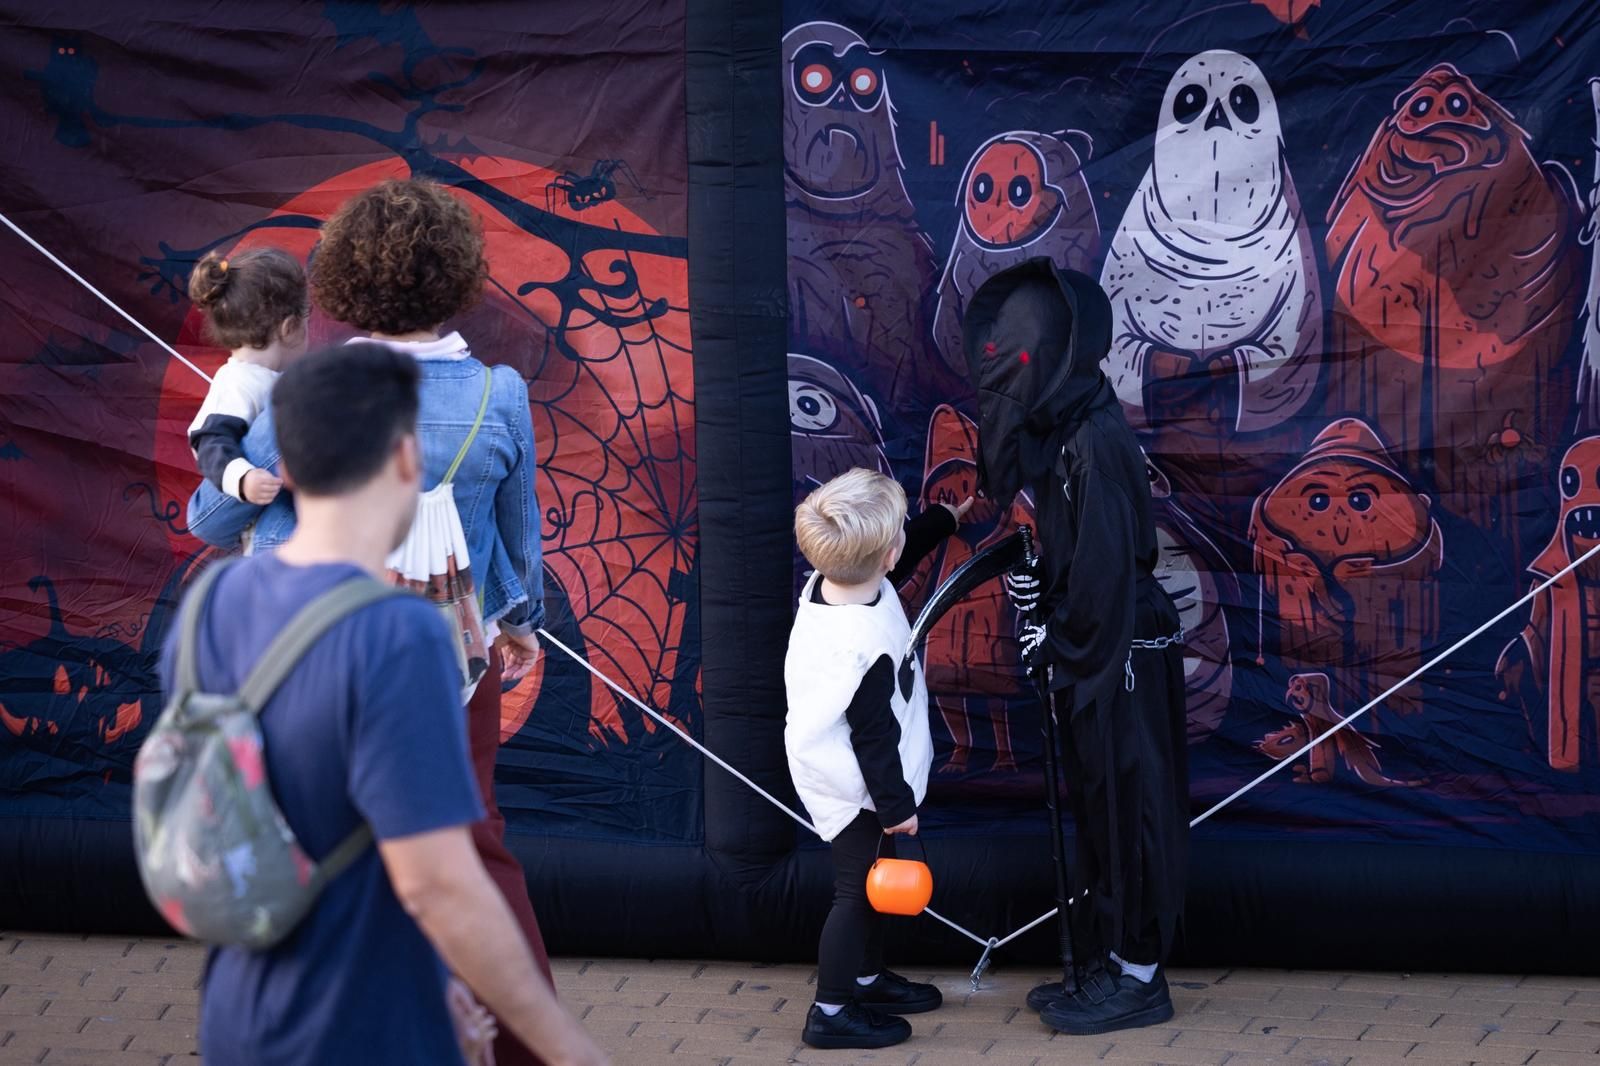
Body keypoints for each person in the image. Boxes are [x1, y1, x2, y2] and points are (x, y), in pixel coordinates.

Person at [186, 180, 552, 1066]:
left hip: (297, 649)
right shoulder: (501, 394)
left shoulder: (305, 393)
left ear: (344, 278)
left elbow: (211, 523)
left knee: (303, 839)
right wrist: (520, 623)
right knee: (468, 844)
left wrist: (242, 474)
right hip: (444, 657)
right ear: (459, 276)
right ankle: (518, 1042)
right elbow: (517, 540)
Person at [963, 258, 1189, 1035]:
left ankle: (1136, 976)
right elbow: (1064, 552)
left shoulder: (1092, 441)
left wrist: (1057, 639)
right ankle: (1105, 962)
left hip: (1120, 653)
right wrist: (1042, 607)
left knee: (1132, 811)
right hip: (1094, 651)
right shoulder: (1066, 433)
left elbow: (1102, 571)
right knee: (1100, 809)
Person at [785, 468, 972, 1050]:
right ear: (884, 556)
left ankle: (865, 977)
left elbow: (900, 551)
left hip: (861, 774)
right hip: (855, 785)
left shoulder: (839, 580)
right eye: (898, 539)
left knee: (871, 884)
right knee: (856, 893)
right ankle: (832, 1011)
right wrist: (896, 810)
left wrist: (946, 519)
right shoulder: (859, 650)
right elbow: (873, 739)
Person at [186, 248, 309, 513]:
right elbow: (209, 441)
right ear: (290, 328)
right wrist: (242, 479)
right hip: (265, 518)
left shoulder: (268, 377)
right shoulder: (238, 381)